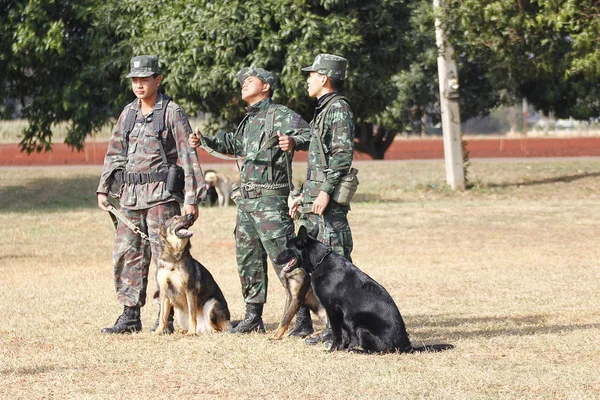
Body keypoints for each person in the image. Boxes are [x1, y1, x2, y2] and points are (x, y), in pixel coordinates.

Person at [189, 67, 312, 335]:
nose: (243, 85)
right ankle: (253, 317)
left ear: (266, 86)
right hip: (246, 202)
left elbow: (310, 135)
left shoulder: (281, 114)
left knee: (286, 261)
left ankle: (302, 320)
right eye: (243, 82)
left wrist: (292, 141)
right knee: (248, 260)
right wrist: (205, 141)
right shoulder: (248, 120)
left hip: (270, 202)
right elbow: (232, 143)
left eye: (250, 81)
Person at [97, 55, 205, 334]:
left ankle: (165, 318)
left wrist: (192, 199)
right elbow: (114, 153)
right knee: (126, 254)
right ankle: (130, 314)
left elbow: (187, 154)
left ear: (158, 79)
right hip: (130, 197)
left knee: (166, 258)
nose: (139, 84)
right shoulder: (128, 113)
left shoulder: (172, 112)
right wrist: (104, 188)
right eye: (135, 80)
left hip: (160, 197)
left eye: (145, 79)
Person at [278, 54, 355, 344]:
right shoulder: (323, 110)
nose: (307, 79)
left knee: (337, 264)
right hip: (316, 199)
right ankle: (336, 329)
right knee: (326, 267)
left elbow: (341, 156)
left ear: (324, 78)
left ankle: (344, 330)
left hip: (329, 201)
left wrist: (324, 191)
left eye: (312, 74)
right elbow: (319, 157)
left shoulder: (338, 109)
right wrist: (303, 196)